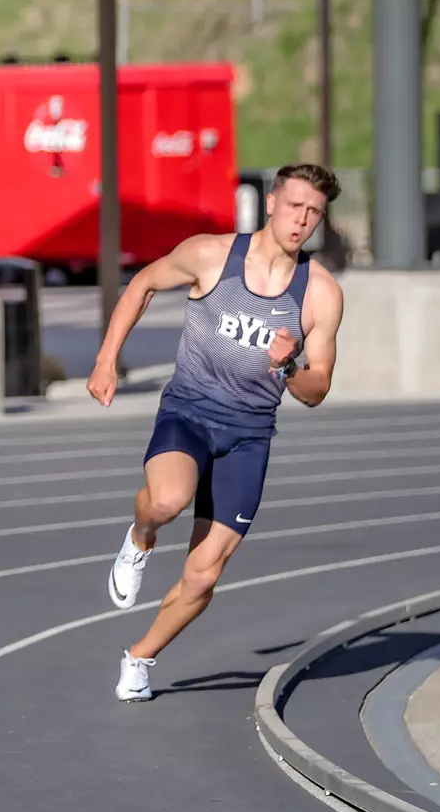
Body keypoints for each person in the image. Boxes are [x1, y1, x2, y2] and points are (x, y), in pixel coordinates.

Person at [87, 163, 345, 703]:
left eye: (313, 212)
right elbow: (143, 284)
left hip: (249, 436)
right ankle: (140, 537)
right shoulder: (212, 254)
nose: (301, 220)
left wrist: (291, 364)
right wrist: (107, 359)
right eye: (294, 206)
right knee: (166, 501)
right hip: (190, 411)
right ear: (270, 202)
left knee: (203, 576)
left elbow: (317, 388)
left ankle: (139, 657)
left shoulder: (319, 293)